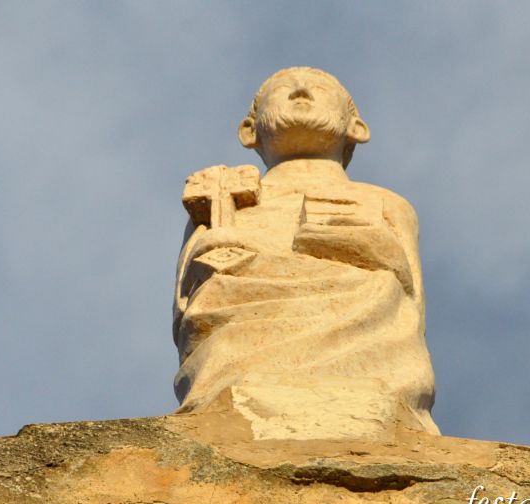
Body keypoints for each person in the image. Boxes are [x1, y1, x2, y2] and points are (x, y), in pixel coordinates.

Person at [173, 67, 439, 435]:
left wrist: (351, 243)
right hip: (247, 315)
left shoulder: (386, 202)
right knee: (221, 310)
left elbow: (411, 296)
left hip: (362, 317)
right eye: (282, 88)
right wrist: (210, 247)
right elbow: (189, 303)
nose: (300, 90)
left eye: (319, 88)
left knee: (380, 290)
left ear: (356, 127)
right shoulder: (225, 202)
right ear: (248, 131)